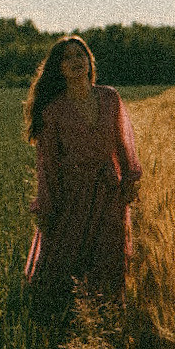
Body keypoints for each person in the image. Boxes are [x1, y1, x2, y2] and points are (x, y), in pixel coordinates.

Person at [23, 35, 141, 306]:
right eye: (68, 58)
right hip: (72, 196)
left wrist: (129, 180)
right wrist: (47, 207)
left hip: (109, 192)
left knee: (109, 258)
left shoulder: (110, 98)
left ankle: (105, 317)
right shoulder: (53, 111)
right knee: (67, 259)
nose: (76, 61)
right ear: (59, 69)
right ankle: (66, 319)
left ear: (90, 61)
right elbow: (48, 165)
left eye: (81, 54)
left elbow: (124, 144)